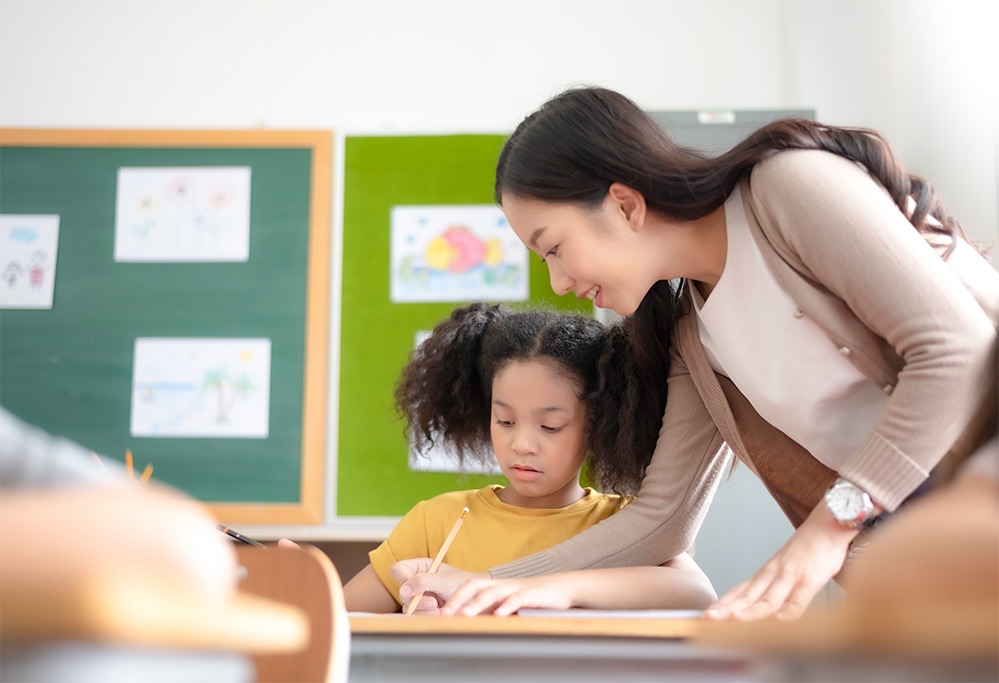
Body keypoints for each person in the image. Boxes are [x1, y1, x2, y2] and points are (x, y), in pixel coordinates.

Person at [397, 86, 999, 621]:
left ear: (625, 205)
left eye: (553, 248)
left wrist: (826, 529)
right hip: (947, 551)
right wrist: (494, 586)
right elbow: (660, 520)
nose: (557, 282)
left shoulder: (789, 187)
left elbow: (958, 353)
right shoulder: (694, 336)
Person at [340, 302, 716, 613]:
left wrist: (560, 587)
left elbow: (697, 593)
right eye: (505, 420)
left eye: (550, 426)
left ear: (596, 426)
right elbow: (338, 620)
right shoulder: (435, 522)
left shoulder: (622, 526)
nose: (522, 444)